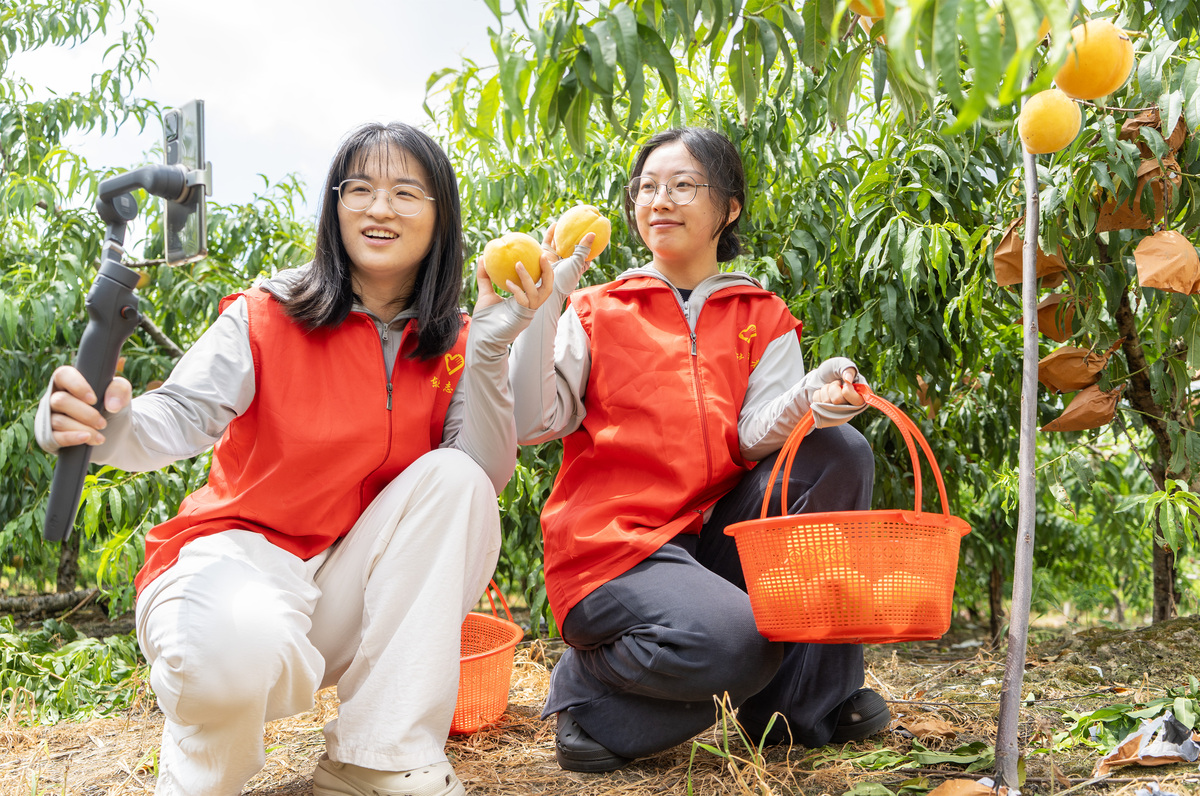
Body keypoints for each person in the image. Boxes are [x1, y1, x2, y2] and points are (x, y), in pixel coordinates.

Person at [35, 121, 553, 796]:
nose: (379, 207)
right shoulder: (270, 313)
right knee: (231, 655)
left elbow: (480, 477)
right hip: (239, 560)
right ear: (335, 207)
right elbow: (179, 415)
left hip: (347, 584)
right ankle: (203, 763)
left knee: (457, 479)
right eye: (359, 188)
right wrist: (101, 423)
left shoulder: (451, 338)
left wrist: (489, 340)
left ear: (440, 216)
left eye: (405, 191)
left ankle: (377, 758)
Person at [509, 126, 890, 772]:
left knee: (841, 452)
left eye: (683, 185)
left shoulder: (759, 313)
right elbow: (528, 419)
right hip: (619, 549)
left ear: (728, 207)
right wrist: (545, 308)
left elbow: (751, 435)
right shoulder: (600, 310)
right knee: (744, 642)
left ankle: (797, 707)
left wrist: (810, 400)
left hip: (708, 537)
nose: (660, 200)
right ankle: (590, 695)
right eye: (648, 188)